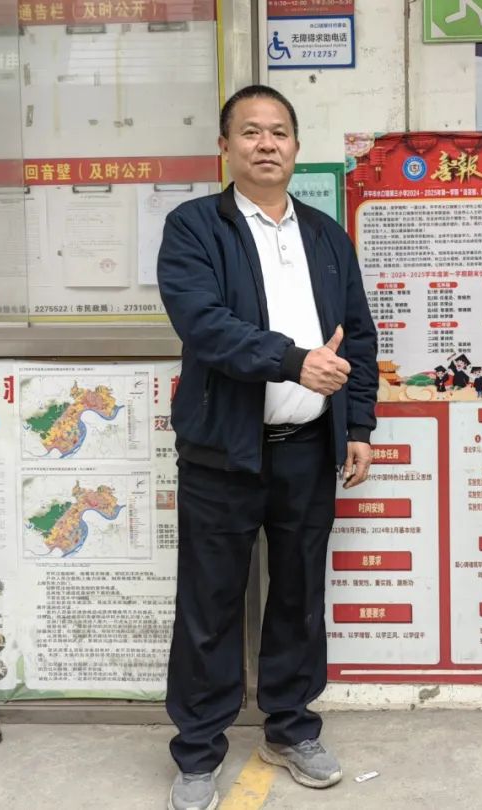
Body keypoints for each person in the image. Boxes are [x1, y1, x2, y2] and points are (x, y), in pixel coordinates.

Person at [157, 84, 378, 810]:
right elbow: (203, 324)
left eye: (279, 131)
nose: (266, 144)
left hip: (307, 449)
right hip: (223, 452)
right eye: (250, 132)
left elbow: (358, 335)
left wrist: (360, 426)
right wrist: (292, 361)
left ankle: (290, 726)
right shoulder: (195, 227)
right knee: (210, 604)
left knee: (299, 596)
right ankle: (198, 751)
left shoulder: (325, 235)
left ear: (296, 146)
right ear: (226, 147)